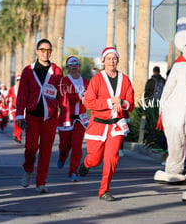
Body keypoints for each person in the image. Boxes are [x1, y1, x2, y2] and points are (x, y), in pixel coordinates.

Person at [79, 47, 134, 201]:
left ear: (118, 60)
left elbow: (131, 103)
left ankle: (104, 190)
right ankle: (86, 163)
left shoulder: (125, 80)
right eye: (108, 59)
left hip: (116, 126)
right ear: (103, 61)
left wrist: (122, 102)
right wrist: (110, 102)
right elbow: (89, 102)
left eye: (114, 58)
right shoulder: (97, 79)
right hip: (98, 125)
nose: (112, 61)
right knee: (95, 159)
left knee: (111, 157)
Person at [15, 39, 65, 193]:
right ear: (37, 51)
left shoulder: (57, 71)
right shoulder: (28, 71)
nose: (46, 53)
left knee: (46, 150)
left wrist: (63, 116)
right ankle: (28, 169)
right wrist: (19, 116)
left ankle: (41, 182)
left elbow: (62, 96)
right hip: (32, 116)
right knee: (31, 148)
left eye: (48, 50)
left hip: (50, 117)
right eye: (43, 50)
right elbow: (22, 95)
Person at [57, 56, 89, 182]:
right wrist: (79, 97)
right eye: (71, 64)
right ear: (68, 67)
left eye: (76, 64)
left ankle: (73, 172)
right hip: (66, 119)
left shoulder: (86, 82)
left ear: (79, 66)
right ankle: (62, 156)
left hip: (80, 119)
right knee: (64, 147)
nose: (74, 66)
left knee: (77, 146)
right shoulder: (63, 81)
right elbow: (62, 100)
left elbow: (91, 98)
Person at [7, 75, 22, 143]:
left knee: (21, 123)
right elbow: (8, 96)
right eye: (18, 80)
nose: (19, 81)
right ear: (16, 81)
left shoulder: (24, 88)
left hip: (21, 109)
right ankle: (15, 134)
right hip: (14, 108)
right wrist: (10, 99)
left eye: (20, 80)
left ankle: (18, 137)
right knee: (16, 121)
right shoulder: (12, 88)